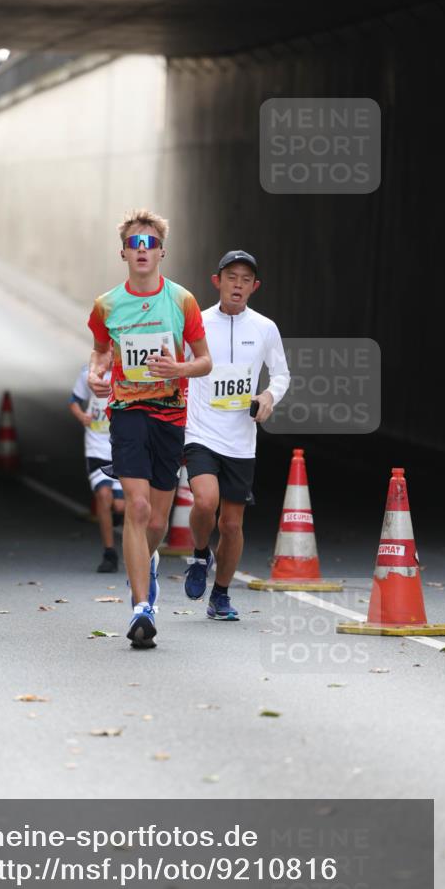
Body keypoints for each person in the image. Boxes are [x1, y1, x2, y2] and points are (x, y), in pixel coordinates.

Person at [88, 209, 212, 649]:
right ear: (123, 252)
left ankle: (149, 566)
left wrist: (178, 366)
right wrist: (95, 373)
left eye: (150, 244)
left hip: (171, 413)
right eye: (134, 244)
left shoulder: (182, 301)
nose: (142, 251)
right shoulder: (106, 304)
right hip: (126, 412)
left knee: (157, 519)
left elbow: (204, 361)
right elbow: (100, 352)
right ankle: (142, 606)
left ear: (162, 252)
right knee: (137, 509)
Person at [183, 250, 290, 618]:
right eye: (232, 277)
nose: (238, 285)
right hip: (200, 431)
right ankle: (199, 555)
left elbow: (281, 374)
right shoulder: (196, 321)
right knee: (205, 502)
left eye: (246, 279)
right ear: (217, 281)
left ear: (254, 287)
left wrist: (268, 396)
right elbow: (178, 363)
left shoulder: (264, 327)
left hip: (241, 439)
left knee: (231, 525)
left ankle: (221, 596)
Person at [69, 359, 124, 573]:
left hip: (120, 446)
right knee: (103, 495)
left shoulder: (128, 371)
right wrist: (81, 415)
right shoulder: (88, 373)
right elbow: (74, 400)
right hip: (96, 446)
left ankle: (118, 518)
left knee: (120, 506)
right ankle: (109, 553)